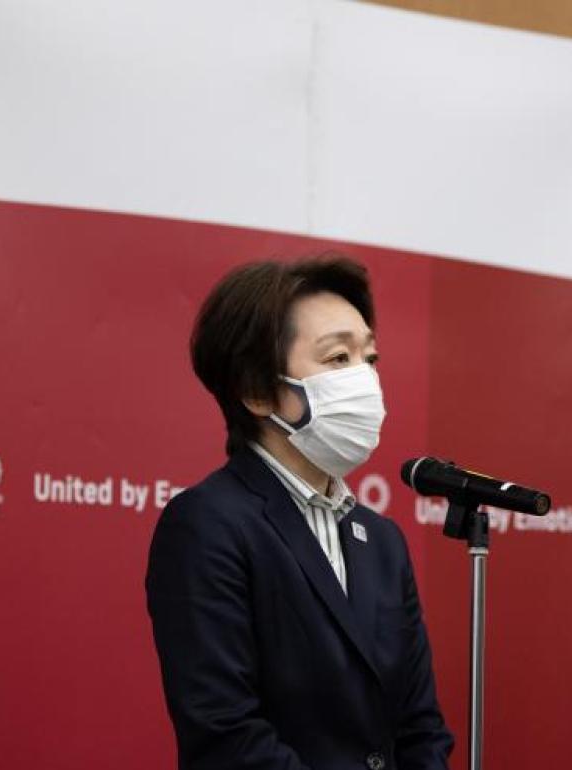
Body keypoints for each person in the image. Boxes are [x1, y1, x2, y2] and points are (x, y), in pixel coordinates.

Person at [146, 255, 453, 770]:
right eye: (338, 358)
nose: (364, 378)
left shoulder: (382, 540)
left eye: (370, 358)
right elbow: (227, 736)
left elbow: (420, 727)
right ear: (257, 390)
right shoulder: (207, 525)